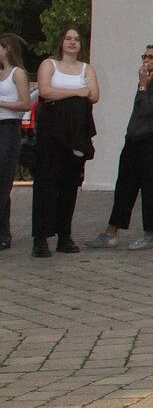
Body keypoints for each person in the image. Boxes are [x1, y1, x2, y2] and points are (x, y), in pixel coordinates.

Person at [94, 45, 153, 249]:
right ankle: (111, 231)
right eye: (144, 56)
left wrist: (142, 85)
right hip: (135, 139)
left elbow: (147, 108)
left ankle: (151, 234)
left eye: (151, 57)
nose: (146, 60)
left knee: (151, 187)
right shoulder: (146, 82)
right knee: (124, 186)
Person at [32, 25, 99, 257]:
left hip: (77, 131)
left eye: (77, 39)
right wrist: (75, 92)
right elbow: (45, 91)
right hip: (51, 130)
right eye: (68, 38)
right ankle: (40, 238)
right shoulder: (49, 65)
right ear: (61, 42)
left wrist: (79, 93)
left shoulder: (86, 69)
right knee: (46, 183)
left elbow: (94, 95)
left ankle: (64, 235)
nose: (72, 42)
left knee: (69, 184)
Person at [0, 34, 32, 251]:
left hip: (8, 129)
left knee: (3, 180)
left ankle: (3, 233)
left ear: (8, 48)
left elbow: (25, 103)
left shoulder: (17, 73)